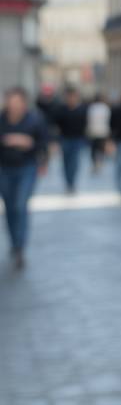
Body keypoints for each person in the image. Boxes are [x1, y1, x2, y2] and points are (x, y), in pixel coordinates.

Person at [0, 87, 49, 269]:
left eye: (17, 102)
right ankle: (14, 243)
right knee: (10, 207)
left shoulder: (35, 119)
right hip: (4, 168)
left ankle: (20, 246)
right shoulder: (2, 119)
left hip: (27, 168)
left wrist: (29, 143)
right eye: (11, 102)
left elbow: (44, 141)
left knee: (21, 205)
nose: (14, 106)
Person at [52, 87, 88, 194]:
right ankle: (68, 182)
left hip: (77, 139)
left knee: (74, 162)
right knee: (66, 162)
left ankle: (72, 183)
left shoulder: (82, 109)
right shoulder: (61, 110)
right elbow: (56, 125)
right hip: (65, 139)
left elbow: (85, 124)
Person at [86, 93, 111, 174]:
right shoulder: (106, 108)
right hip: (103, 131)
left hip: (93, 131)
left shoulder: (91, 108)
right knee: (101, 148)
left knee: (93, 149)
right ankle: (100, 162)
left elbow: (88, 120)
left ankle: (95, 163)